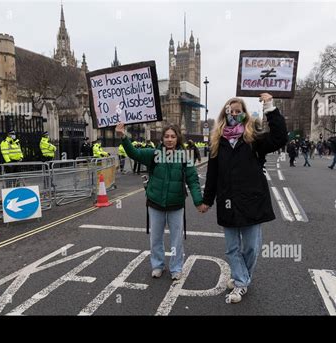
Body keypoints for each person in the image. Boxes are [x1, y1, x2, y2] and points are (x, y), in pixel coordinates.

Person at [199, 93, 288, 304]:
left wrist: (270, 107)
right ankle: (241, 282)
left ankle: (241, 279)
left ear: (245, 115)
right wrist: (207, 200)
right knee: (232, 248)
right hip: (227, 202)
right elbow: (212, 175)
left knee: (251, 248)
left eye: (239, 111)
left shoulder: (253, 140)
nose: (234, 114)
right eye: (231, 111)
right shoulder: (217, 143)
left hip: (252, 201)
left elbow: (280, 137)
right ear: (225, 114)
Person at [115, 122, 203, 280]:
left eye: (173, 136)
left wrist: (198, 202)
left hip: (176, 204)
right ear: (162, 138)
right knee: (155, 237)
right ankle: (157, 265)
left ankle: (176, 267)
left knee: (176, 239)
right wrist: (123, 137)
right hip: (155, 203)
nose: (170, 139)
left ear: (178, 138)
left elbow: (193, 180)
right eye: (167, 136)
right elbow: (134, 153)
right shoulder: (154, 154)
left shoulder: (185, 157)